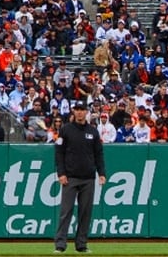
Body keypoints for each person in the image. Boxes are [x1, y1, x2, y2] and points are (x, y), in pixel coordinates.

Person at [54, 101, 106, 254]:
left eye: (82, 110)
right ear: (73, 111)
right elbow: (59, 153)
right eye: (77, 110)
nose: (79, 113)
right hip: (70, 177)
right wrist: (61, 173)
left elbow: (99, 154)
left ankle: (81, 244)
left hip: (88, 178)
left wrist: (101, 173)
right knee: (66, 212)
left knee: (85, 213)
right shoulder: (65, 130)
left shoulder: (93, 131)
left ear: (86, 112)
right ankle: (60, 244)